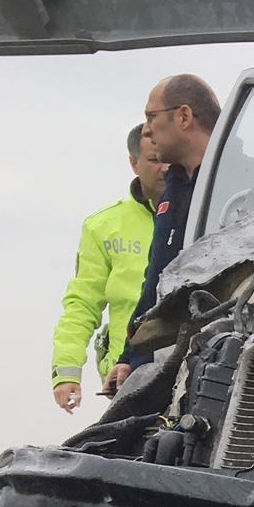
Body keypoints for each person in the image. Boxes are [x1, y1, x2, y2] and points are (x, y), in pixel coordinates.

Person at [104, 74, 222, 393]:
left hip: (214, 367)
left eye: (151, 117)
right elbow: (157, 280)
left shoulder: (242, 185)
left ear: (183, 116)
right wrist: (130, 357)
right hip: (160, 364)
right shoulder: (173, 189)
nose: (147, 130)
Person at [50, 125, 168, 413]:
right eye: (154, 160)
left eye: (169, 159)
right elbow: (82, 303)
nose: (164, 168)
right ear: (133, 163)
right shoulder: (102, 227)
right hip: (126, 376)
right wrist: (66, 372)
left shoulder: (205, 212)